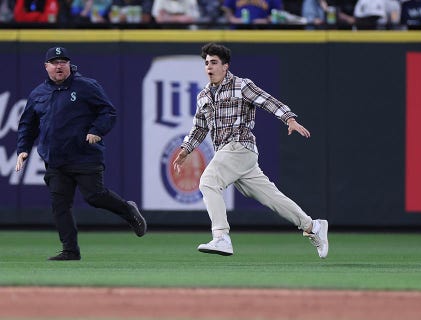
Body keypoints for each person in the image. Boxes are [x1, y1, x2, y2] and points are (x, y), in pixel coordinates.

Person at [172, 42, 329, 258]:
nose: (209, 67)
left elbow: (267, 101)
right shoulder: (203, 96)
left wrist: (289, 119)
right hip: (229, 154)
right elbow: (199, 127)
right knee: (272, 198)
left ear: (225, 66)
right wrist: (185, 149)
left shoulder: (241, 85)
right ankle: (313, 226)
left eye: (214, 63)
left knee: (208, 182)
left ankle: (221, 237)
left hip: (240, 146)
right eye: (207, 63)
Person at [15, 46, 147, 261]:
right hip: (55, 159)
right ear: (46, 66)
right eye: (55, 62)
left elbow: (108, 111)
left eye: (63, 61)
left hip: (84, 155)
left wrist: (96, 130)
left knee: (94, 196)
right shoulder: (38, 93)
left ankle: (127, 210)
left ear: (69, 65)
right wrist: (22, 149)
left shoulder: (86, 86)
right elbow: (27, 124)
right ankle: (70, 250)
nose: (59, 65)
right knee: (60, 205)